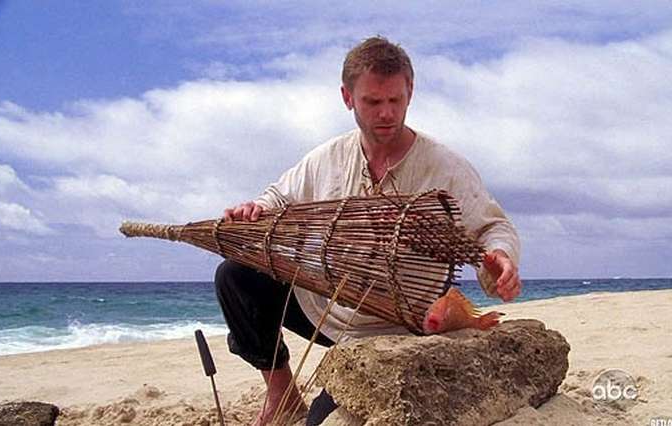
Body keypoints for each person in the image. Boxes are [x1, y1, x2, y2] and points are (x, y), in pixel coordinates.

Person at [216, 36, 522, 426]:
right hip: (328, 310)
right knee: (236, 275)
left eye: (396, 100)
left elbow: (492, 227)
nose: (387, 113)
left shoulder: (445, 167)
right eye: (373, 102)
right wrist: (256, 208)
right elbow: (278, 195)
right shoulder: (326, 158)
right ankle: (282, 395)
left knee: (323, 422)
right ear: (347, 98)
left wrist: (502, 258)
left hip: (399, 330)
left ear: (410, 92)